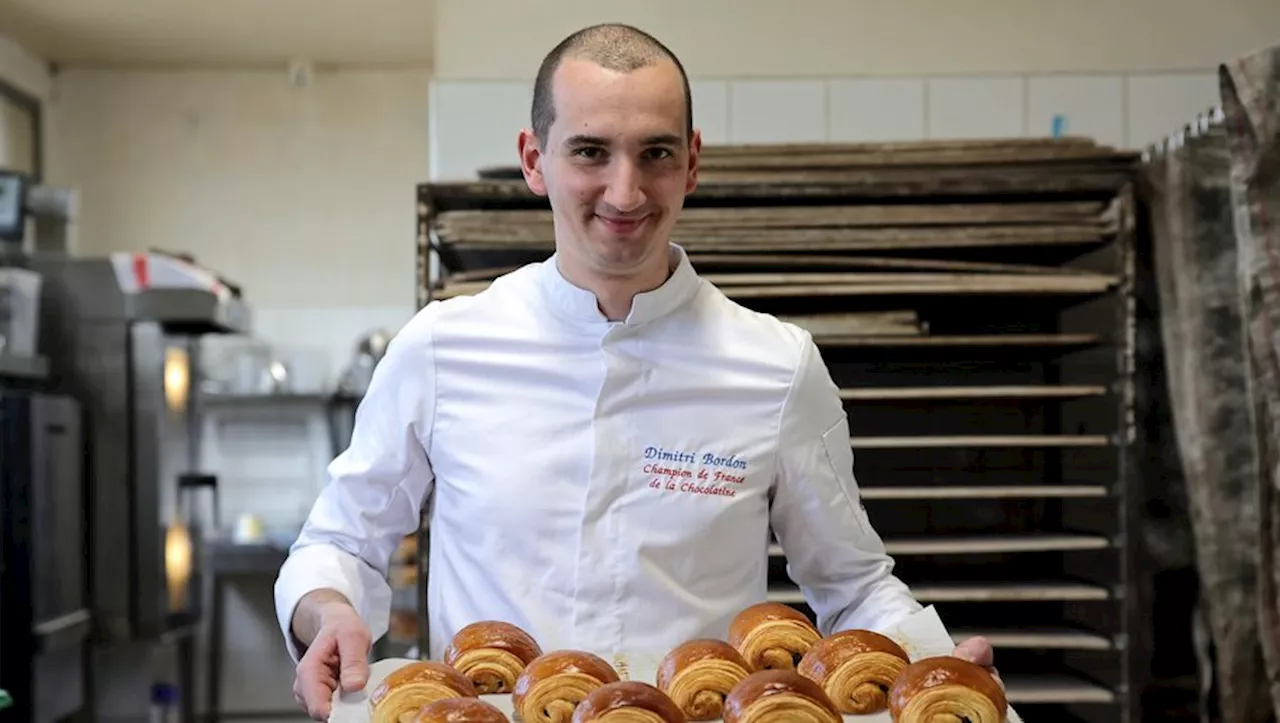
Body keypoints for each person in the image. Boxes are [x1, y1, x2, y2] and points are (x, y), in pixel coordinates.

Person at [275, 22, 998, 720]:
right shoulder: (441, 347)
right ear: (534, 159)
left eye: (654, 153)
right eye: (590, 152)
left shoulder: (777, 365)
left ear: (692, 161)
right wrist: (329, 612)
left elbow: (853, 583)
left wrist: (936, 659)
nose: (626, 192)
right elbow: (339, 542)